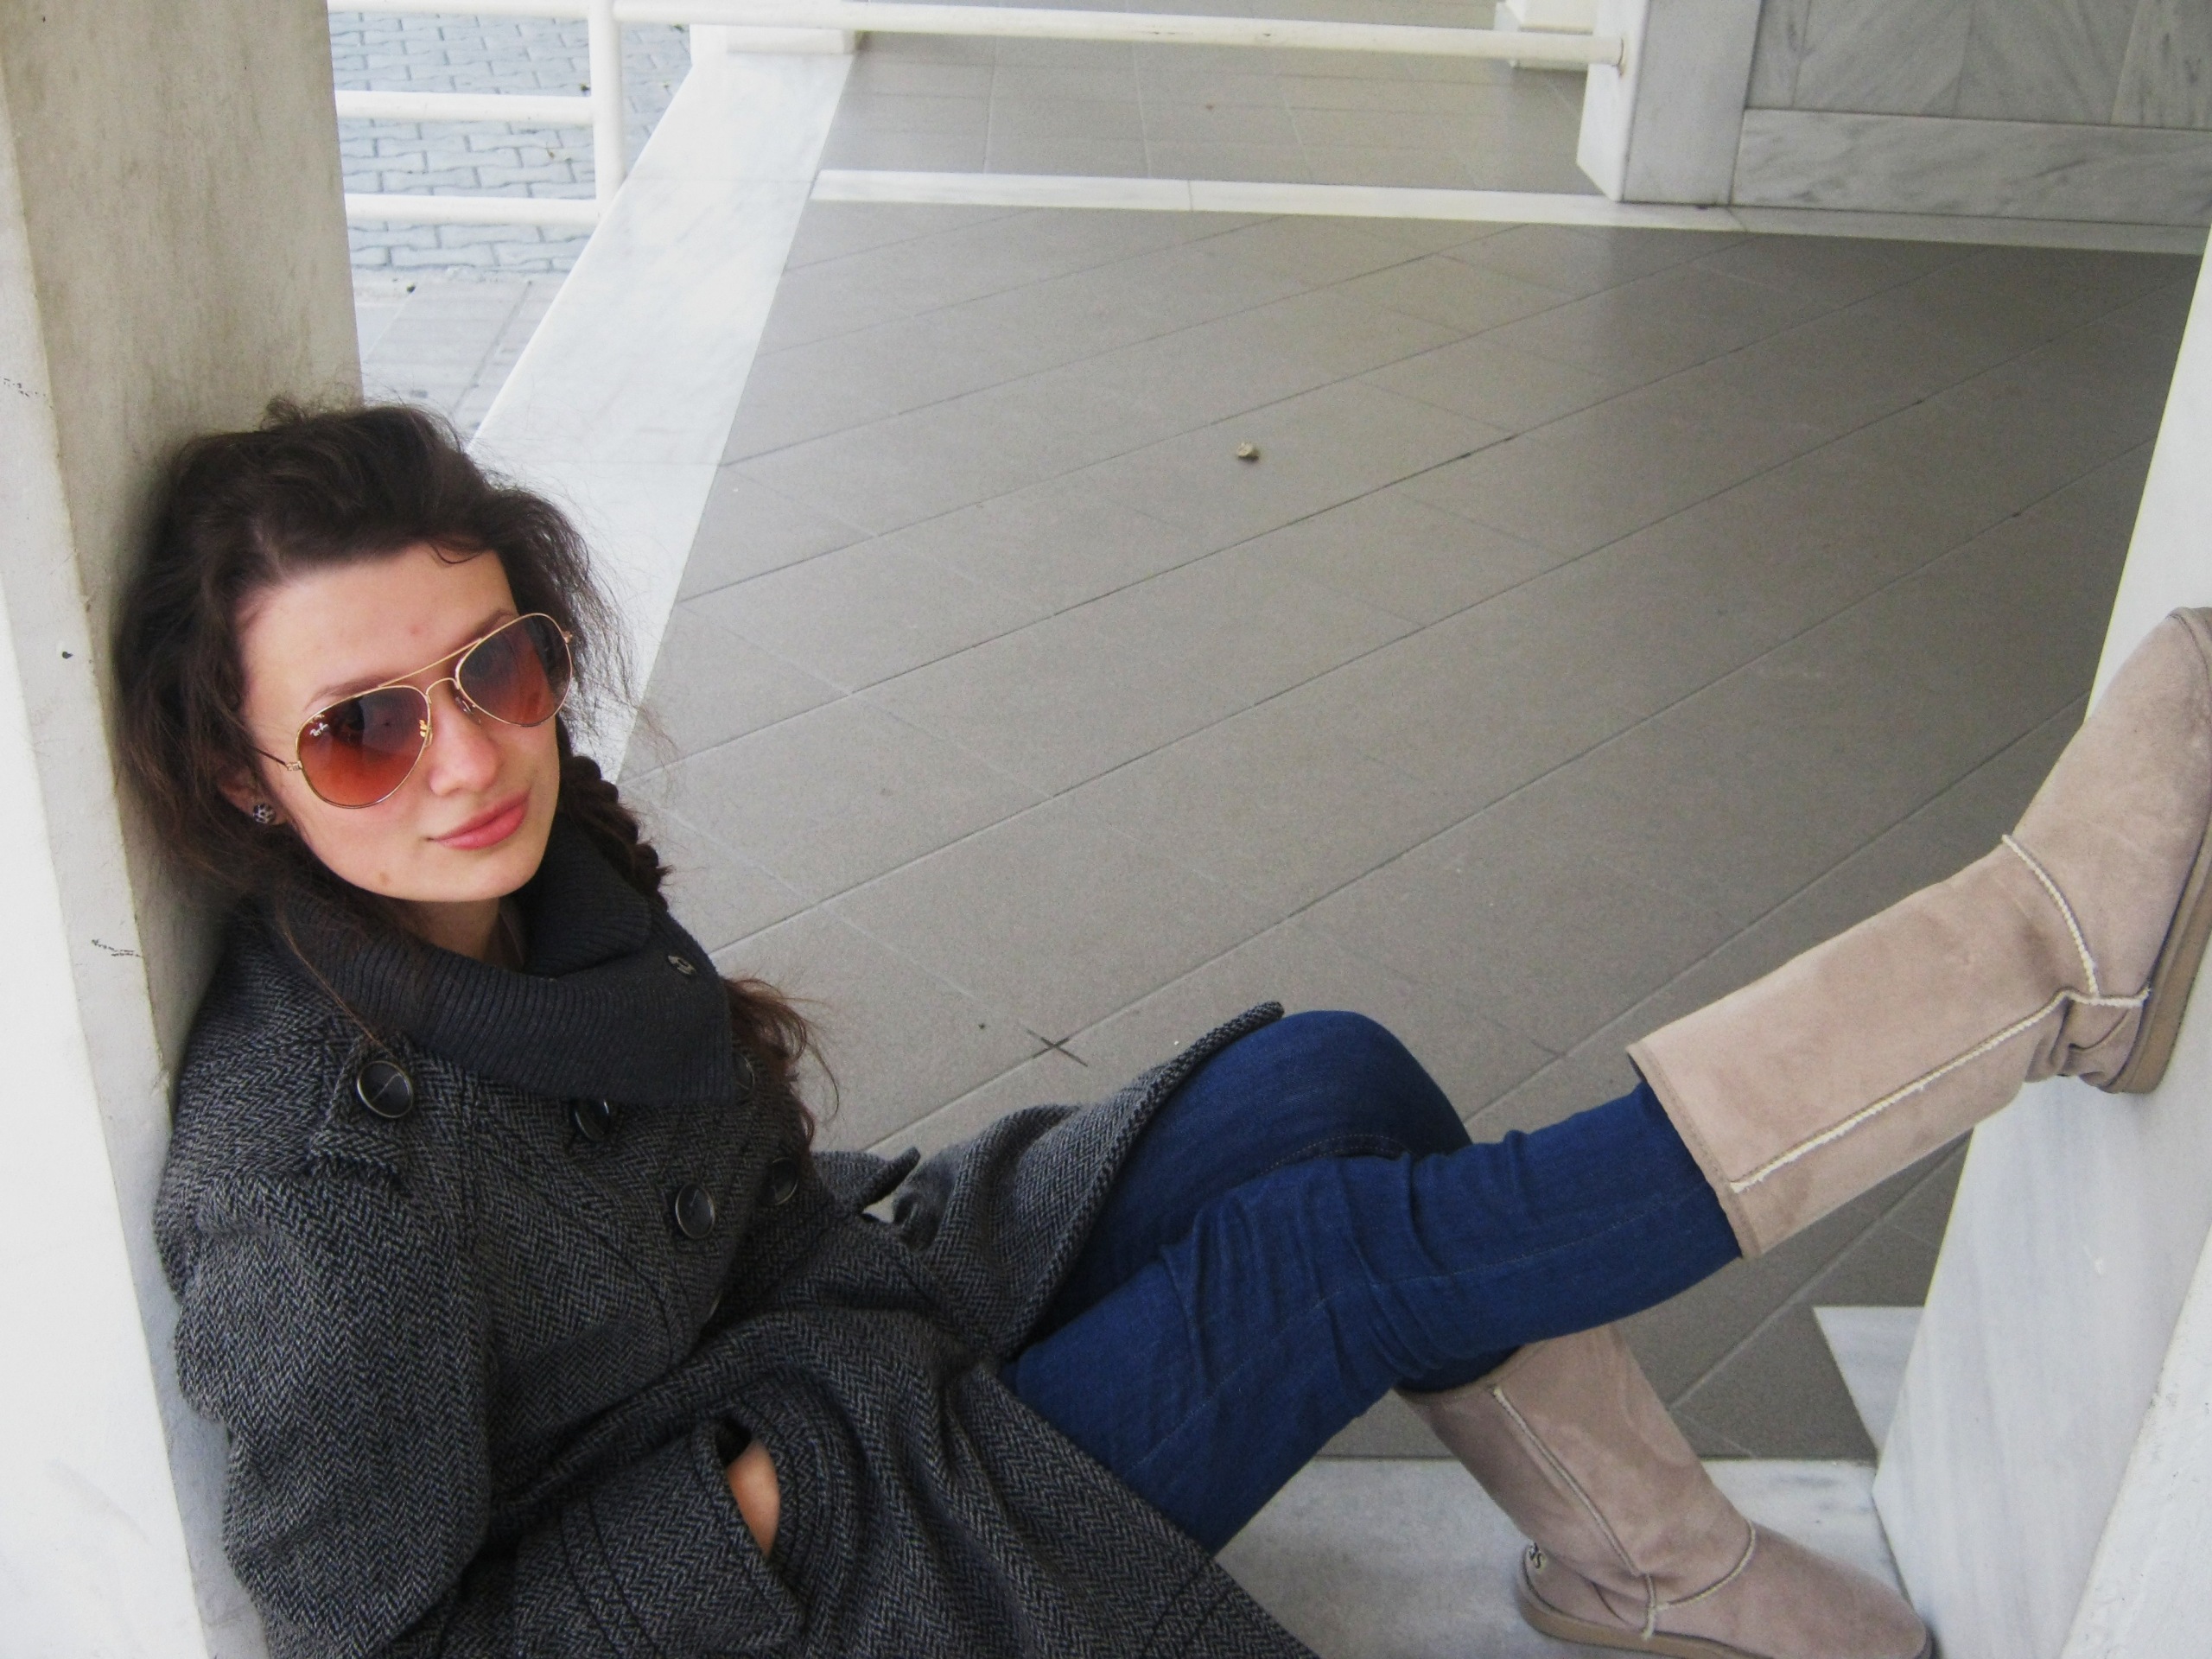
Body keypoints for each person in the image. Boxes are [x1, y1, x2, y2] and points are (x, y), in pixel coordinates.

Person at [124, 403, 2211, 1659]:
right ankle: (2026, 964)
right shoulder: (314, 1199)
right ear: (242, 775)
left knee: (1327, 1081)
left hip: (837, 1334)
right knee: (1320, 1259)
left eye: (496, 668)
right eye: (363, 727)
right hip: (806, 1570)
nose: (468, 758)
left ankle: (1645, 1570)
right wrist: (761, 1501)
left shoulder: (525, 890)